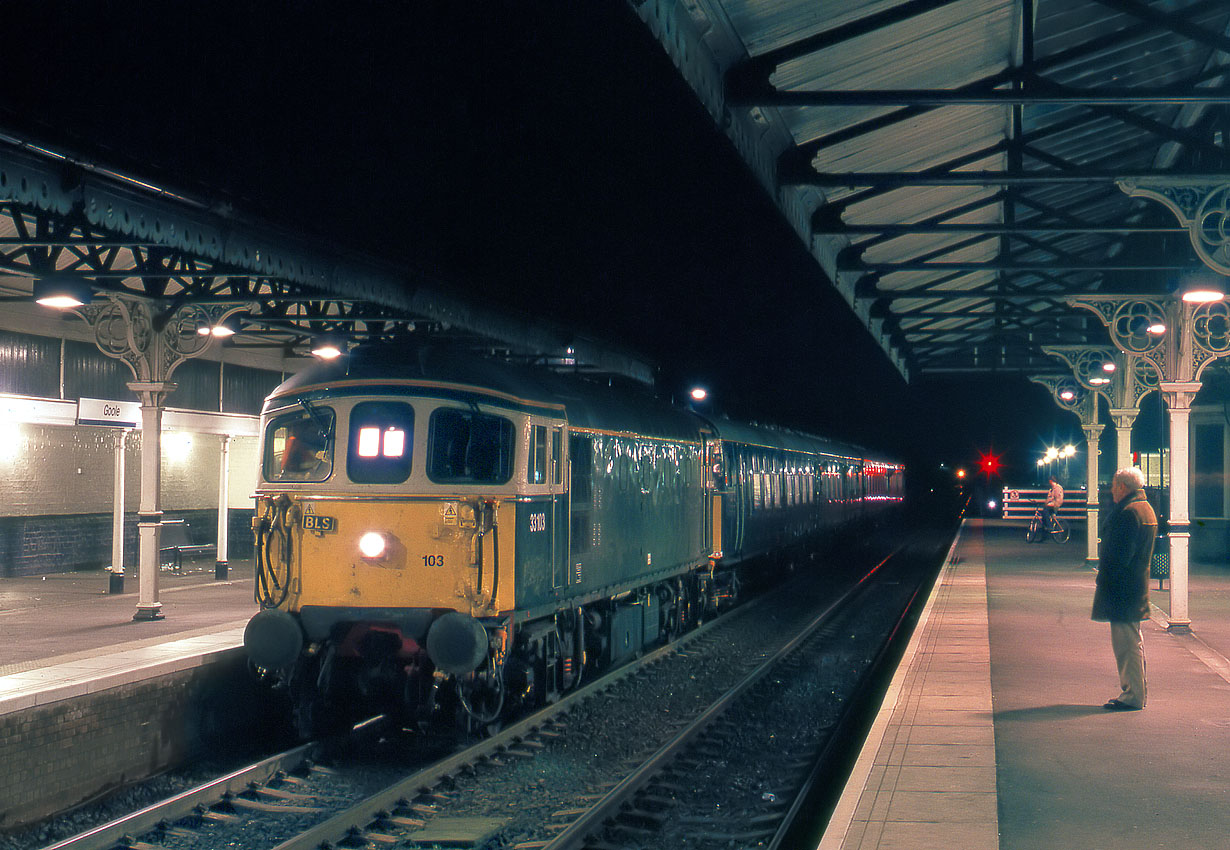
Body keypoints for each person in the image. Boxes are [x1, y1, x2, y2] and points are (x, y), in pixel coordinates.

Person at [1092, 467, 1156, 711]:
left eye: (1113, 486)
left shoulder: (1129, 513)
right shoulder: (1144, 508)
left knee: (1126, 645)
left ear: (1122, 487)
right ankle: (1134, 692)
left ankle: (1133, 696)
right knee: (1131, 642)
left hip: (1123, 590)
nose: (1111, 491)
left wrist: (1104, 579)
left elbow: (1119, 555)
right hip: (1133, 587)